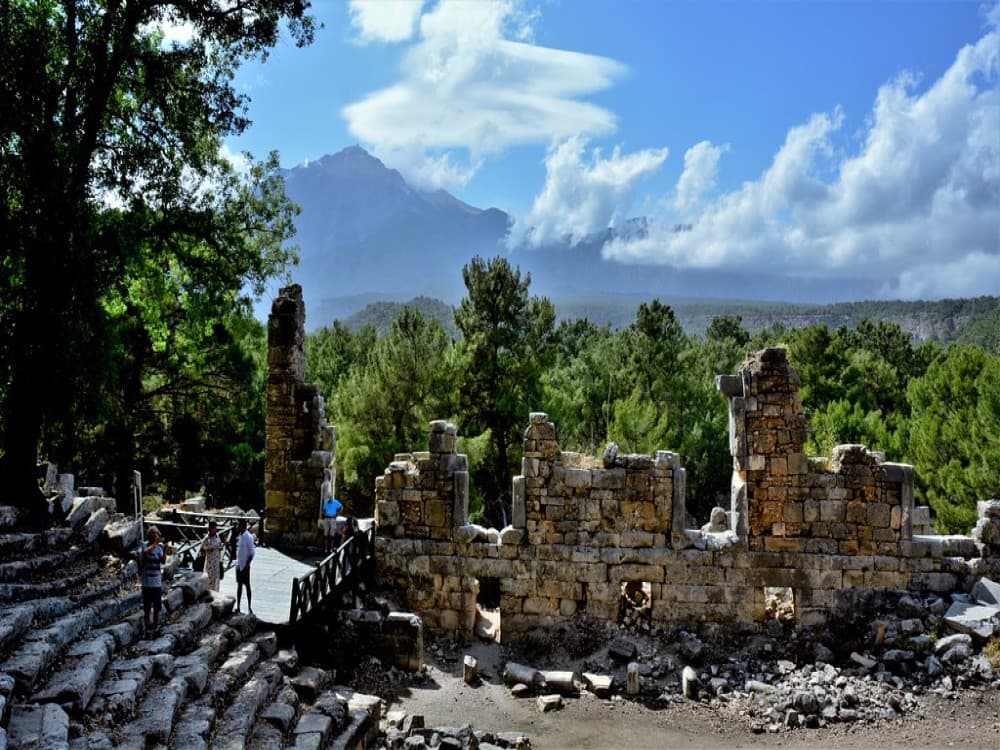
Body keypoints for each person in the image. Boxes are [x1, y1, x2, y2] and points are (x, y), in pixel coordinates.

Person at [141, 526, 170, 633]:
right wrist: (155, 544)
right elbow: (145, 553)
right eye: (153, 533)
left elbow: (162, 562)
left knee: (157, 607)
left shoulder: (159, 548)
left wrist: (165, 550)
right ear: (149, 535)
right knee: (147, 607)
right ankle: (147, 627)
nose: (155, 535)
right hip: (146, 582)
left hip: (157, 581)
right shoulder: (144, 545)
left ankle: (156, 626)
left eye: (157, 533)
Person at [235, 518, 255, 614]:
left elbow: (252, 553)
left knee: (247, 586)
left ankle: (249, 607)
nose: (237, 527)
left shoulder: (248, 537)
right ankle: (238, 606)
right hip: (239, 564)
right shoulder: (240, 536)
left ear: (242, 526)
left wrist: (247, 564)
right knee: (239, 586)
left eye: (238, 525)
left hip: (245, 566)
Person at [200, 519, 223, 592]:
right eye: (211, 528)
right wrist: (208, 549)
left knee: (215, 581)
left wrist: (220, 547)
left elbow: (219, 546)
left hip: (216, 564)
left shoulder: (217, 536)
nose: (213, 530)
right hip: (209, 564)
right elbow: (201, 551)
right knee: (208, 581)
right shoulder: (206, 538)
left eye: (214, 528)